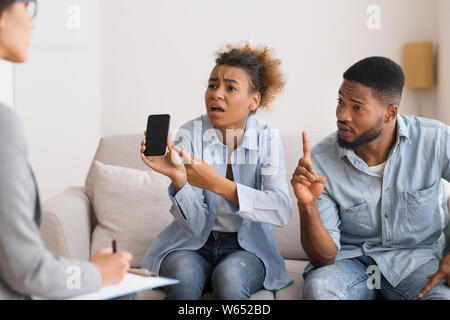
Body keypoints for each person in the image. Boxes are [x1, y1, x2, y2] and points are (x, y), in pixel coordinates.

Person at [0, 0, 133, 300]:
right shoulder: (3, 125)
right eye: (26, 6)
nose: (32, 22)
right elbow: (27, 270)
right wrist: (98, 273)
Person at [140, 43, 292, 300]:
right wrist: (179, 181)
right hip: (192, 244)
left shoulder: (267, 140)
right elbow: (196, 225)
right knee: (184, 279)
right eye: (212, 85)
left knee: (230, 278)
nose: (216, 94)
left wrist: (218, 184)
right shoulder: (190, 134)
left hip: (246, 249)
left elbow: (281, 210)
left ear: (253, 100)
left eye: (230, 87)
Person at [292, 56, 450, 300]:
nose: (342, 115)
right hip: (351, 263)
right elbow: (323, 258)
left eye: (357, 107)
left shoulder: (435, 139)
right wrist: (308, 205)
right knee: (319, 290)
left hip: (417, 263)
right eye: (340, 102)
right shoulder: (321, 161)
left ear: (390, 113)